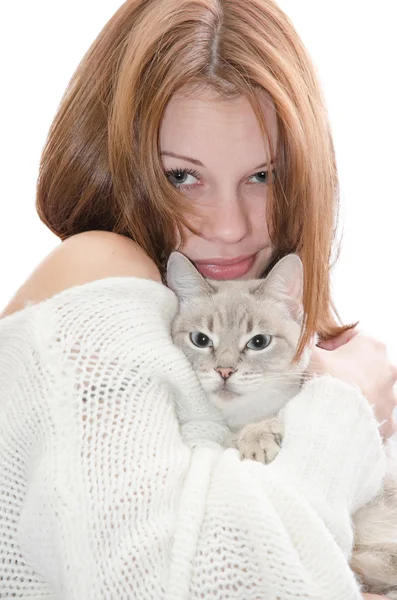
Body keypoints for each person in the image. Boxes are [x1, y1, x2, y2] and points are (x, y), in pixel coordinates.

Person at [0, 0, 396, 598]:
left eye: (263, 176)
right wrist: (348, 405)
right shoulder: (96, 264)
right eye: (182, 176)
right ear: (112, 166)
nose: (231, 227)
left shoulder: (249, 320)